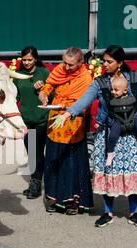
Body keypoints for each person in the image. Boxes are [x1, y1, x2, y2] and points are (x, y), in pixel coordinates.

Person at [50, 45, 137, 228]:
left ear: (120, 63)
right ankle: (107, 212)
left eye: (109, 61)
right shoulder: (99, 82)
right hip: (108, 136)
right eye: (104, 60)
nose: (105, 64)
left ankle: (134, 212)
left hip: (132, 136)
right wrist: (67, 114)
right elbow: (84, 100)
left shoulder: (136, 79)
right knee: (107, 174)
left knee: (132, 173)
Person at [38, 47, 93, 214]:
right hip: (55, 121)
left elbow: (84, 102)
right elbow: (49, 85)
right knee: (53, 161)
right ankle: (54, 199)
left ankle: (72, 202)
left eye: (71, 65)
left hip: (73, 124)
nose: (66, 67)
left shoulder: (85, 78)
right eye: (64, 63)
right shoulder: (60, 70)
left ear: (80, 63)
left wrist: (67, 107)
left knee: (71, 164)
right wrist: (44, 93)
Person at [13, 46, 50, 199]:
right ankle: (37, 182)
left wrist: (44, 89)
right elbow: (14, 96)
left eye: (30, 59)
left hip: (42, 118)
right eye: (24, 59)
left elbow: (54, 93)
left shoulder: (44, 73)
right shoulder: (18, 75)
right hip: (26, 120)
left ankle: (36, 183)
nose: (27, 62)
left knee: (38, 152)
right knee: (32, 153)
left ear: (36, 59)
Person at [100, 76, 137, 166]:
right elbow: (104, 111)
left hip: (133, 118)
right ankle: (110, 154)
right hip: (119, 120)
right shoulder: (112, 101)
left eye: (116, 90)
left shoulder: (132, 98)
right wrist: (99, 122)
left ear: (125, 90)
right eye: (112, 89)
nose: (113, 92)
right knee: (112, 136)